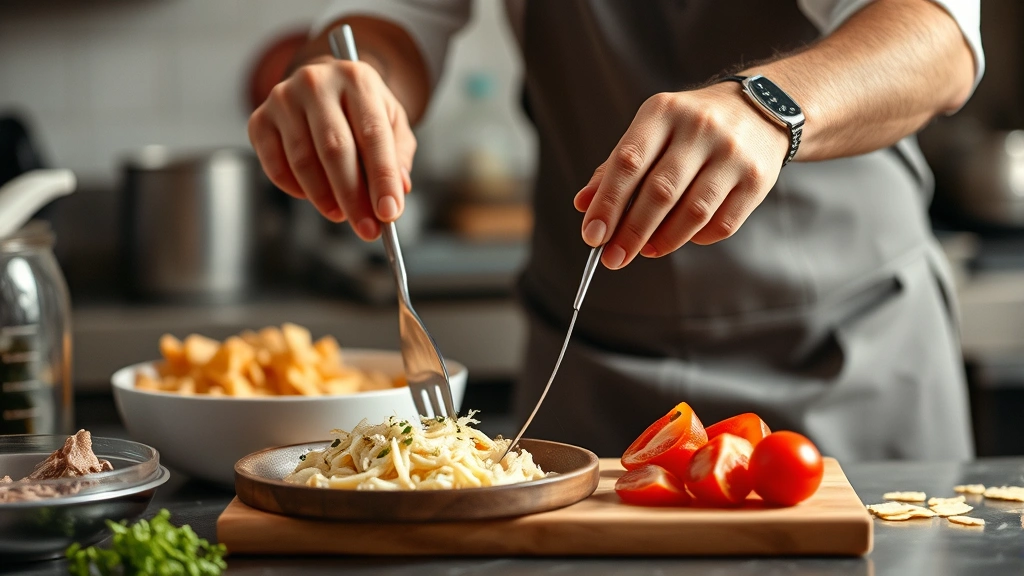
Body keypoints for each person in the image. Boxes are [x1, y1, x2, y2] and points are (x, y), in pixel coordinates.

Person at [247, 0, 984, 460]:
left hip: (850, 359)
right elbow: (391, 20)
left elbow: (939, 36)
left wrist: (768, 105)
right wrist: (356, 82)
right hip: (588, 378)